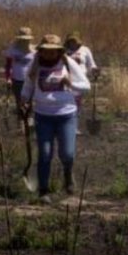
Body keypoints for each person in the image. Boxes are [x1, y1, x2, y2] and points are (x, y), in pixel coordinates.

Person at [21, 34, 91, 203]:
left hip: (66, 115)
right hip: (42, 116)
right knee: (44, 154)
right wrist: (24, 100)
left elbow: (86, 86)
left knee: (67, 154)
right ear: (41, 51)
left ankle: (68, 173)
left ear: (59, 51)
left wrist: (71, 83)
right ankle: (43, 191)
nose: (49, 55)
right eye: (46, 51)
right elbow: (28, 85)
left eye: (53, 51)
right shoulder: (35, 63)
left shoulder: (68, 62)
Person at [65, 31, 100, 134]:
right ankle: (67, 126)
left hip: (80, 82)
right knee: (67, 104)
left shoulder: (85, 50)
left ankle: (74, 126)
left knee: (77, 105)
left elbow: (91, 64)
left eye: (74, 41)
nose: (73, 43)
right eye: (71, 41)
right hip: (67, 81)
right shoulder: (63, 51)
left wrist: (94, 70)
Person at [3, 27, 35, 125]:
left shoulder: (34, 50)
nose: (24, 41)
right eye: (22, 39)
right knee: (19, 100)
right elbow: (8, 66)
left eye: (26, 39)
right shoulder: (12, 50)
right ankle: (20, 121)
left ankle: (29, 119)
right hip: (17, 79)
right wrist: (8, 78)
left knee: (30, 100)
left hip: (30, 80)